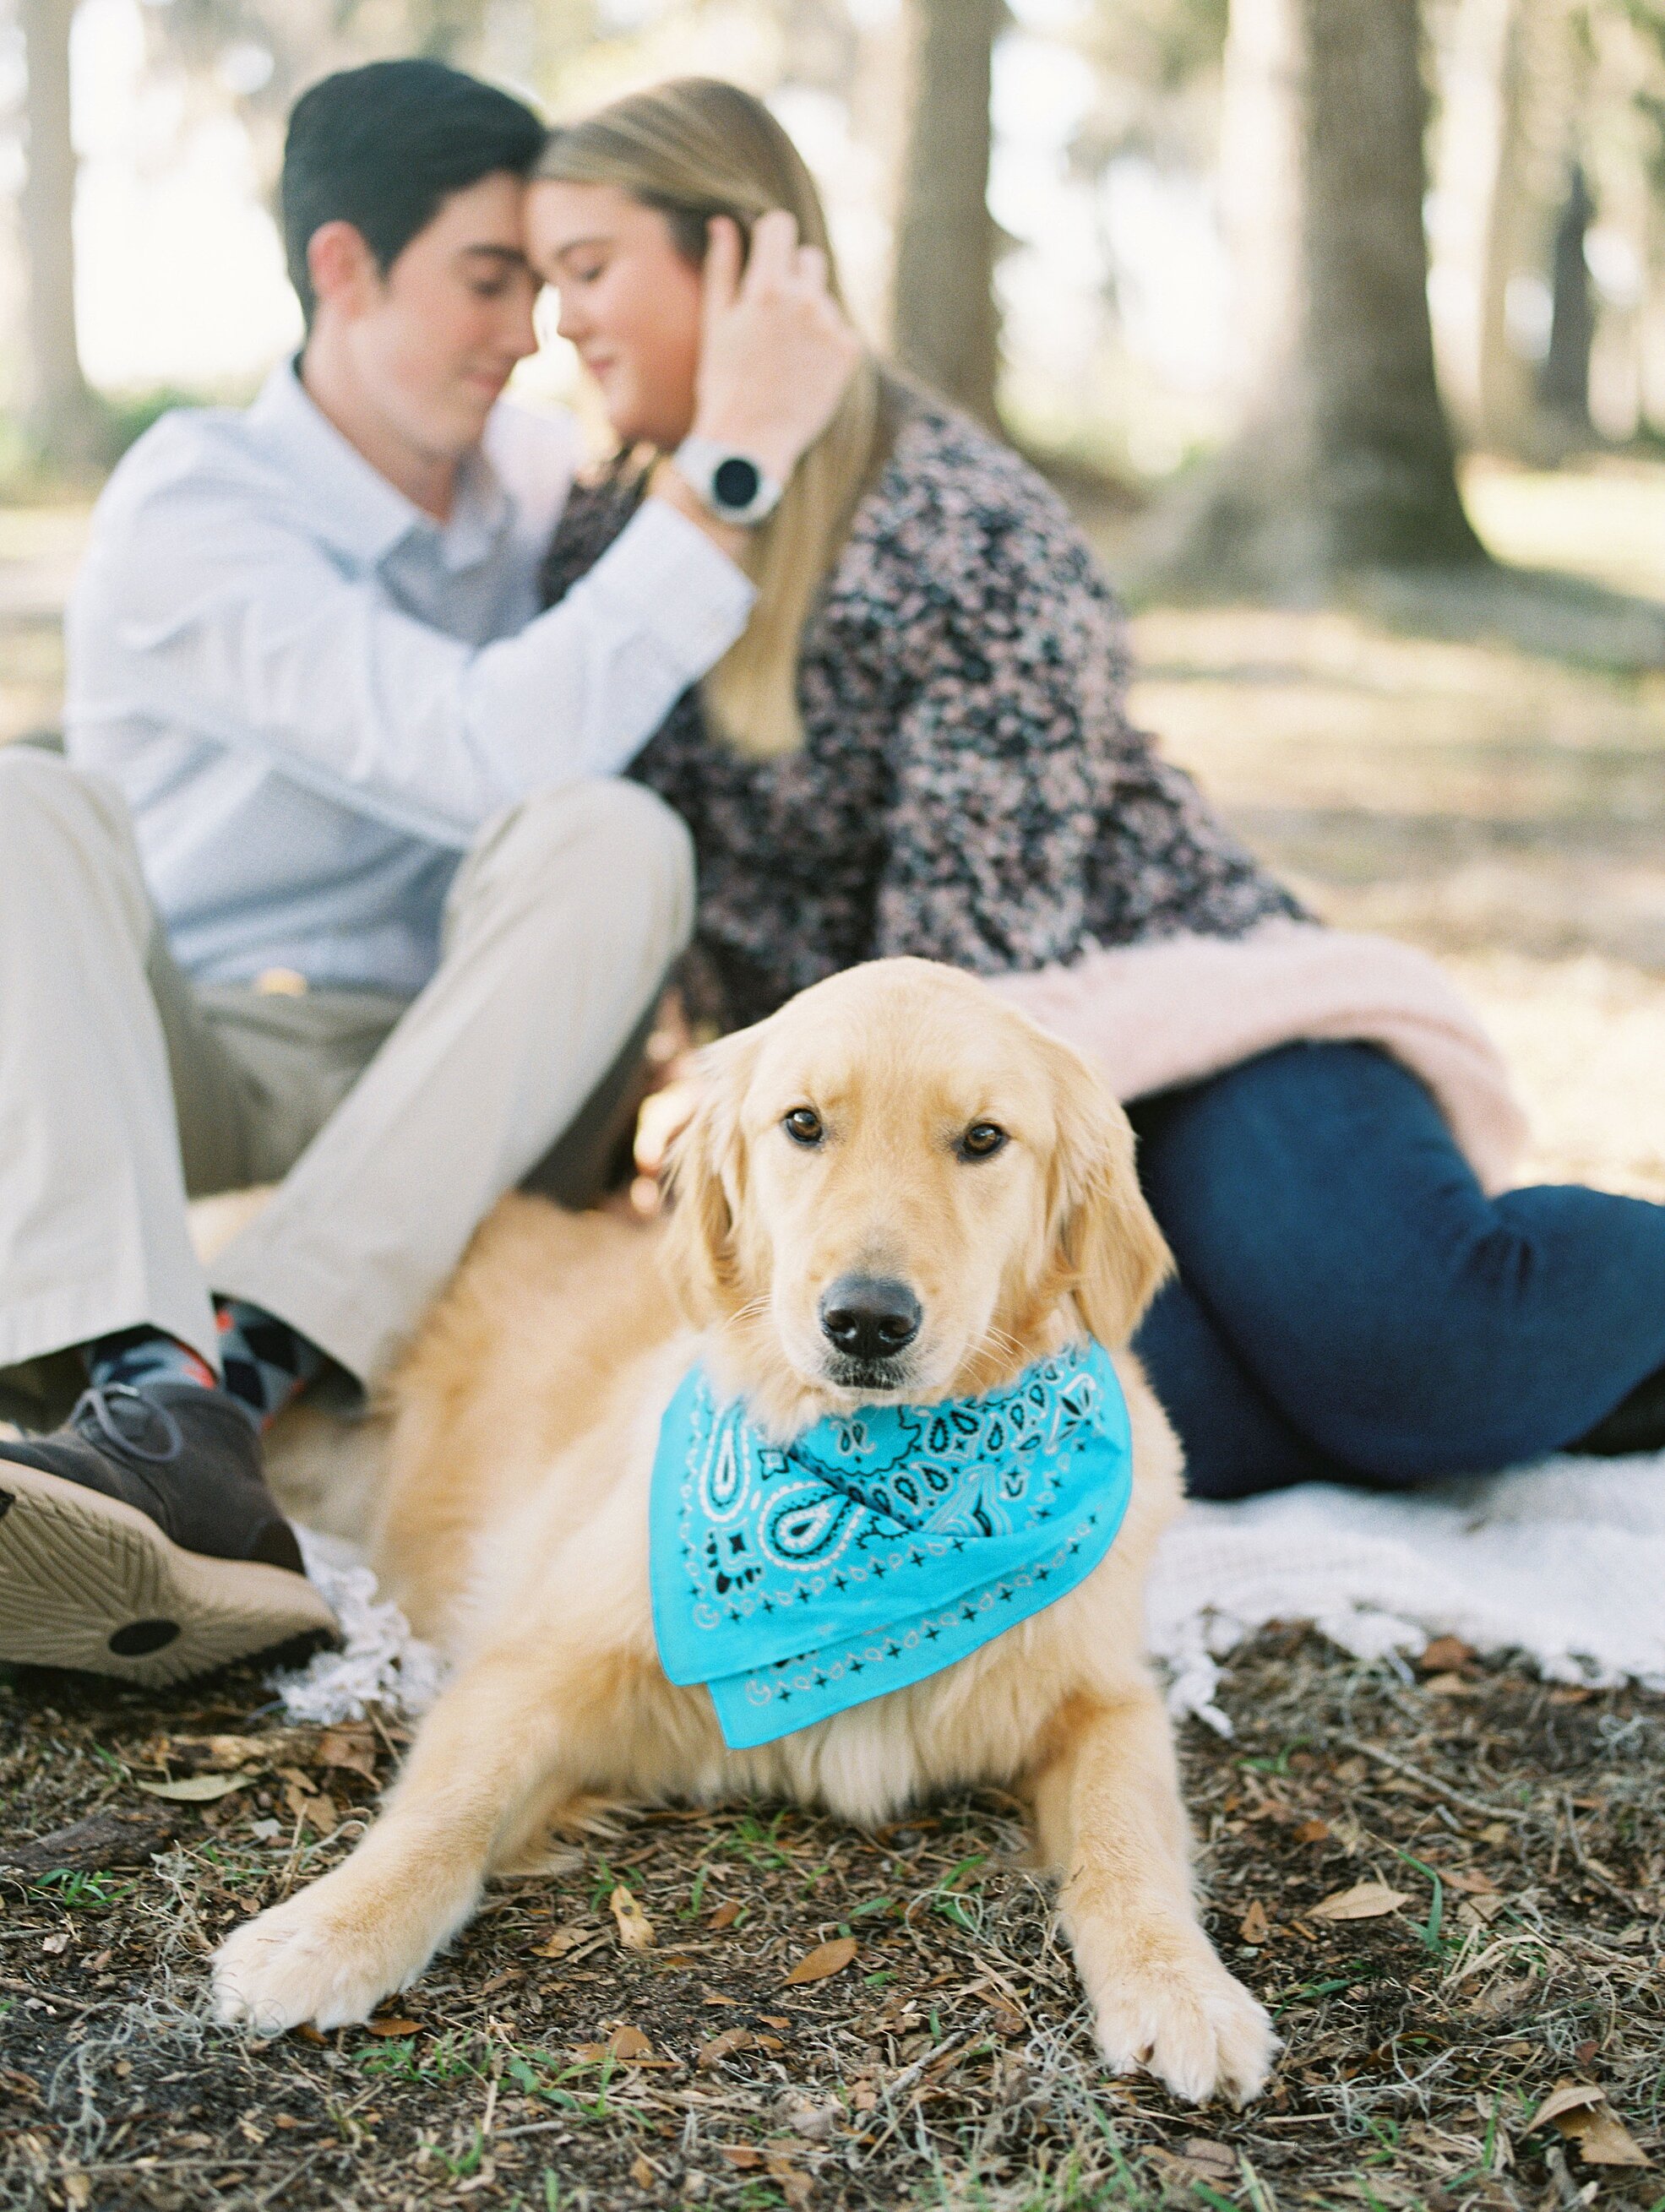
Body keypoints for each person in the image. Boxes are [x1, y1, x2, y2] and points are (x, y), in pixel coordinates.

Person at [527, 77, 1665, 1501]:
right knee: (1128, 1426)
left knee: (1414, 1358)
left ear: (742, 259)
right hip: (907, 1144)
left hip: (1182, 1030)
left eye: (586, 271)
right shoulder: (606, 539)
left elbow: (970, 965)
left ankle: (1499, 1354)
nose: (555, 319)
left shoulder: (955, 515)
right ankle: (1520, 1392)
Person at [0, 58, 860, 1682]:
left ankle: (202, 1405)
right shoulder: (198, 500)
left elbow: (567, 774)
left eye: (543, 287)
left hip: (462, 1076)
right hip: (195, 1058)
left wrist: (743, 408)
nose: (527, 331)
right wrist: (724, 467)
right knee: (17, 802)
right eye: (487, 281)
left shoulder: (538, 487)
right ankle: (139, 1354)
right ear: (344, 266)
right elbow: (476, 744)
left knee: (617, 836)